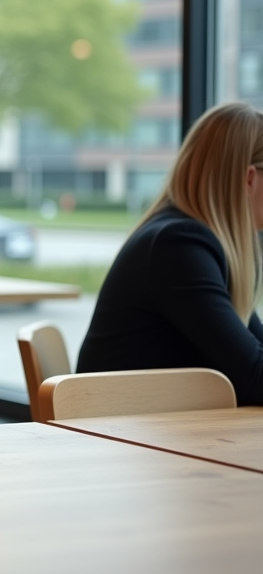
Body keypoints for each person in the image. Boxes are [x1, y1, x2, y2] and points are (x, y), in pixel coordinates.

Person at [77, 102, 263, 404]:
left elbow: (254, 354)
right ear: (249, 179)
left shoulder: (187, 240)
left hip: (139, 423)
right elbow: (256, 377)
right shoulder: (179, 248)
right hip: (114, 429)